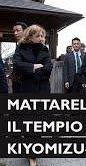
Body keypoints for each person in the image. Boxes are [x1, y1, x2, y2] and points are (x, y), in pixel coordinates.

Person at [12, 25, 53, 166]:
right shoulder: (21, 48)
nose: (42, 38)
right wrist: (33, 67)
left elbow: (48, 68)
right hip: (26, 90)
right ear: (30, 36)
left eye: (43, 36)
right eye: (39, 36)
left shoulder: (45, 49)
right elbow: (17, 65)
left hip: (42, 89)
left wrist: (30, 71)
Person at [10, 22, 28, 93]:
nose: (15, 33)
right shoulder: (20, 44)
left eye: (18, 30)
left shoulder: (28, 45)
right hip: (18, 81)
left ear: (25, 31)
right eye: (14, 31)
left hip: (24, 83)